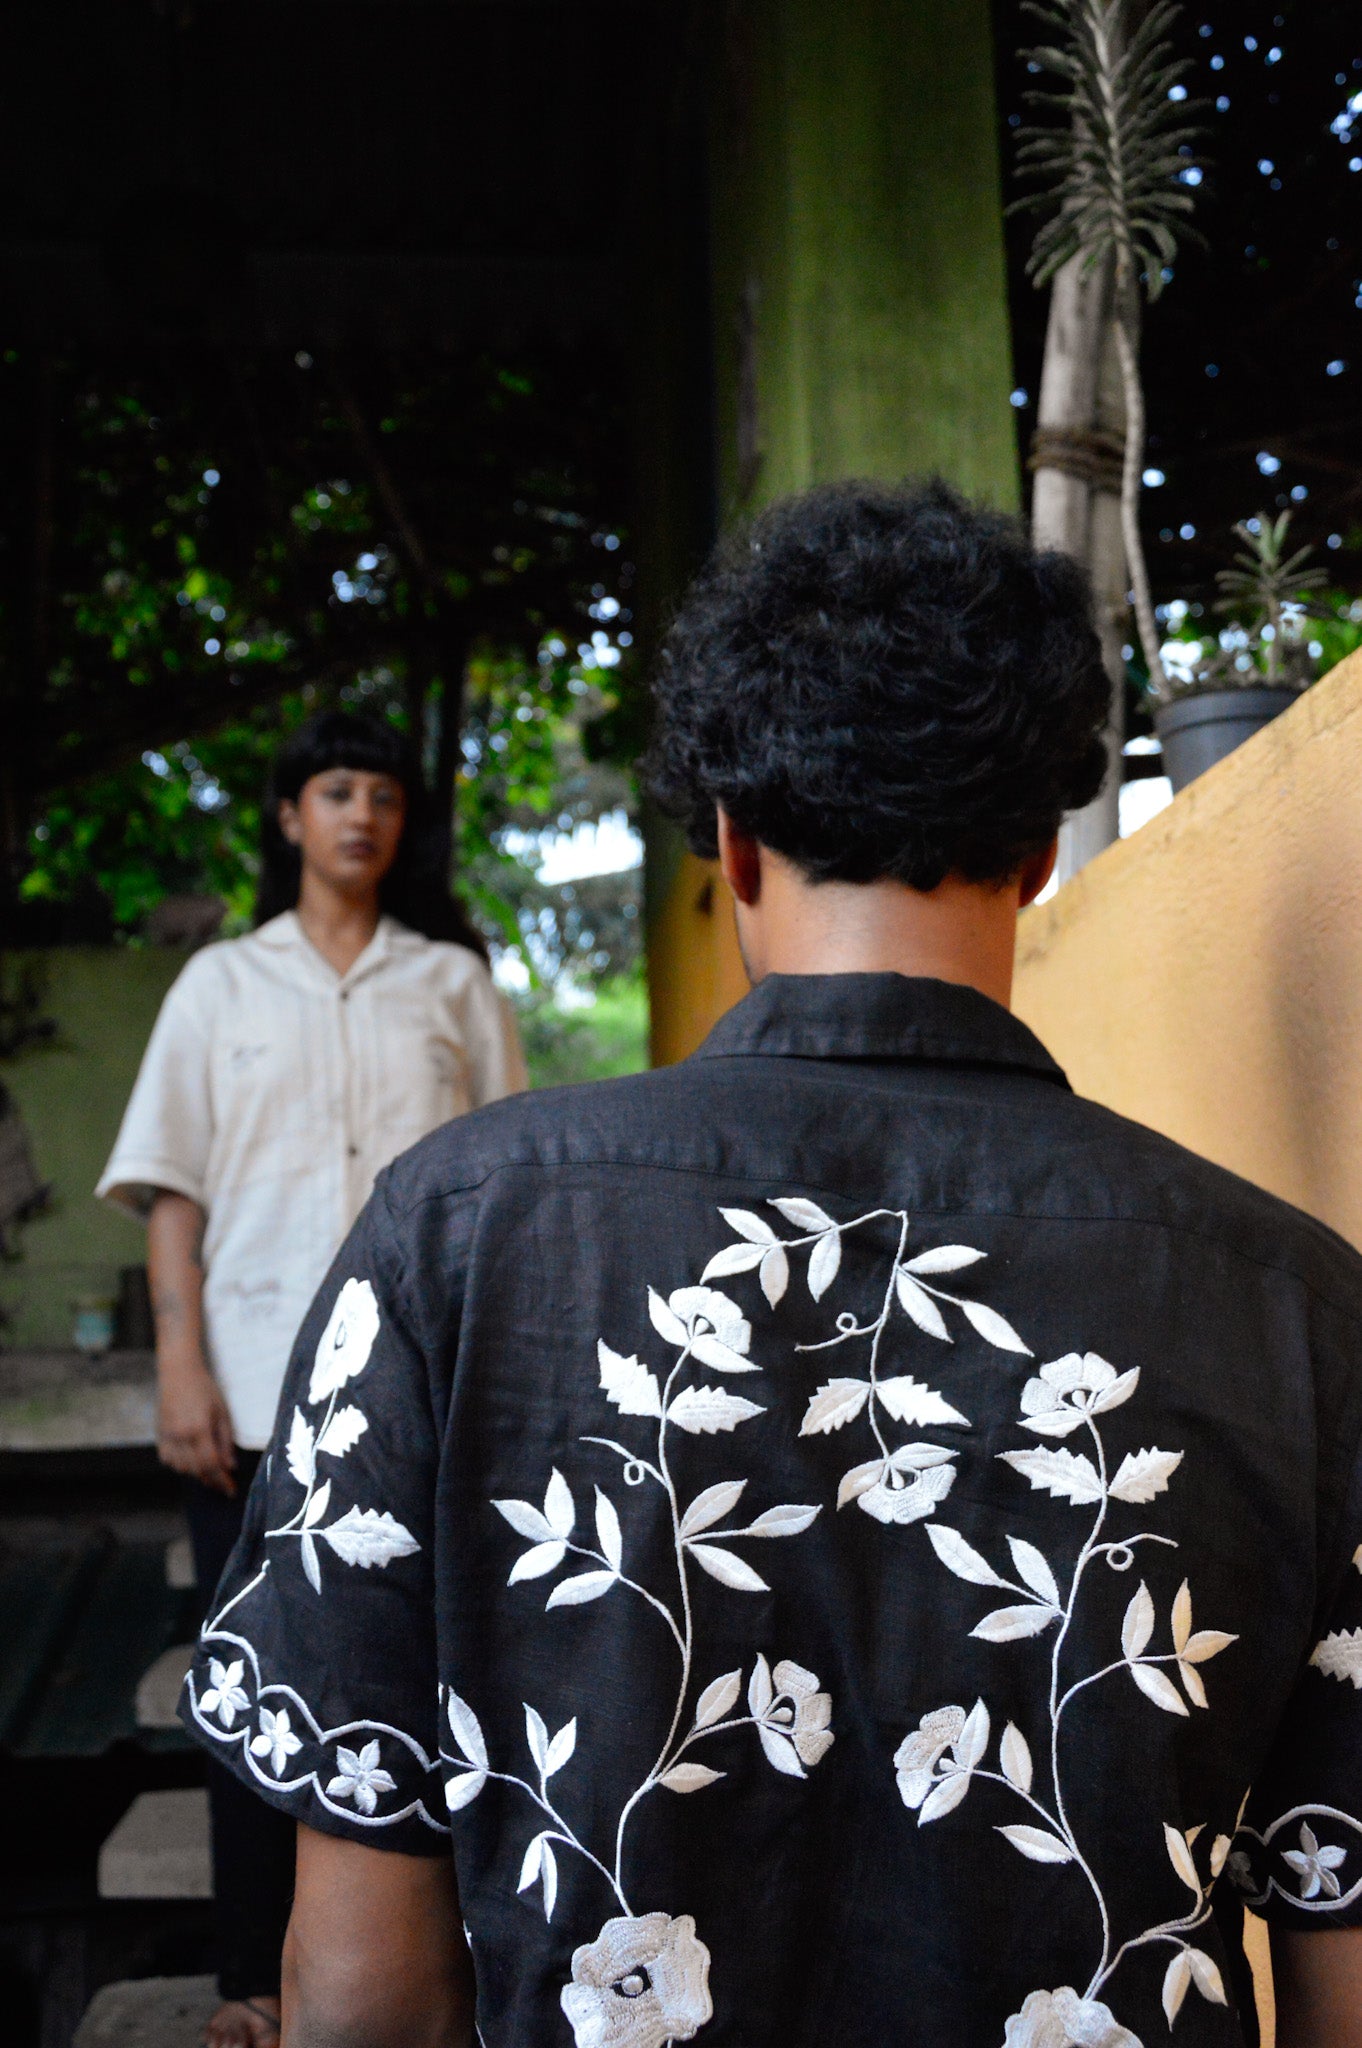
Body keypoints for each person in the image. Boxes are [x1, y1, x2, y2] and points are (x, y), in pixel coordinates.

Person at [183, 482, 1362, 2048]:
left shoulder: (451, 1232)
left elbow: (361, 1983)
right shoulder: (1295, 1299)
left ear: (728, 843)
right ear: (1034, 853)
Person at [99, 709, 526, 2048]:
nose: (361, 815)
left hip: (428, 1401)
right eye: (334, 791)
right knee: (254, 1688)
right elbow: (171, 1194)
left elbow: (499, 1194)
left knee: (431, 1681)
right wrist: (181, 1370)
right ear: (288, 815)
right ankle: (248, 1981)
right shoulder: (219, 988)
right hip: (252, 1395)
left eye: (383, 795)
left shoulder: (452, 984)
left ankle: (439, 1966)